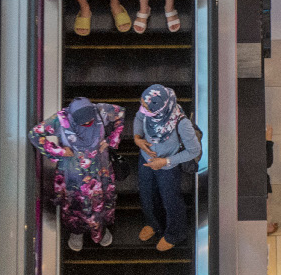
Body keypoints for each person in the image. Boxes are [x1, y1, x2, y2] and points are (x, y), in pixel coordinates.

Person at [29, 98, 126, 251]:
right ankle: (77, 231)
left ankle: (100, 229)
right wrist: (58, 151)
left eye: (90, 122)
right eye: (84, 123)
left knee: (100, 202)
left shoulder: (100, 111)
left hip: (100, 170)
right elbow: (34, 134)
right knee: (75, 205)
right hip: (74, 176)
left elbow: (120, 113)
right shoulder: (60, 120)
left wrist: (111, 139)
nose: (88, 125)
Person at [133, 84, 201, 251]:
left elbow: (194, 150)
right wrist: (137, 138)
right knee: (147, 194)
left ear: (160, 109)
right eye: (142, 104)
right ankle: (154, 224)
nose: (143, 108)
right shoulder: (148, 108)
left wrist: (165, 162)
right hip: (146, 159)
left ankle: (175, 233)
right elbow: (139, 117)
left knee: (171, 200)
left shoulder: (181, 123)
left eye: (147, 107)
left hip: (168, 167)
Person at [266, 125, 277, 235]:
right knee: (265, 203)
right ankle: (266, 227)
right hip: (258, 180)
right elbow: (267, 162)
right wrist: (268, 140)